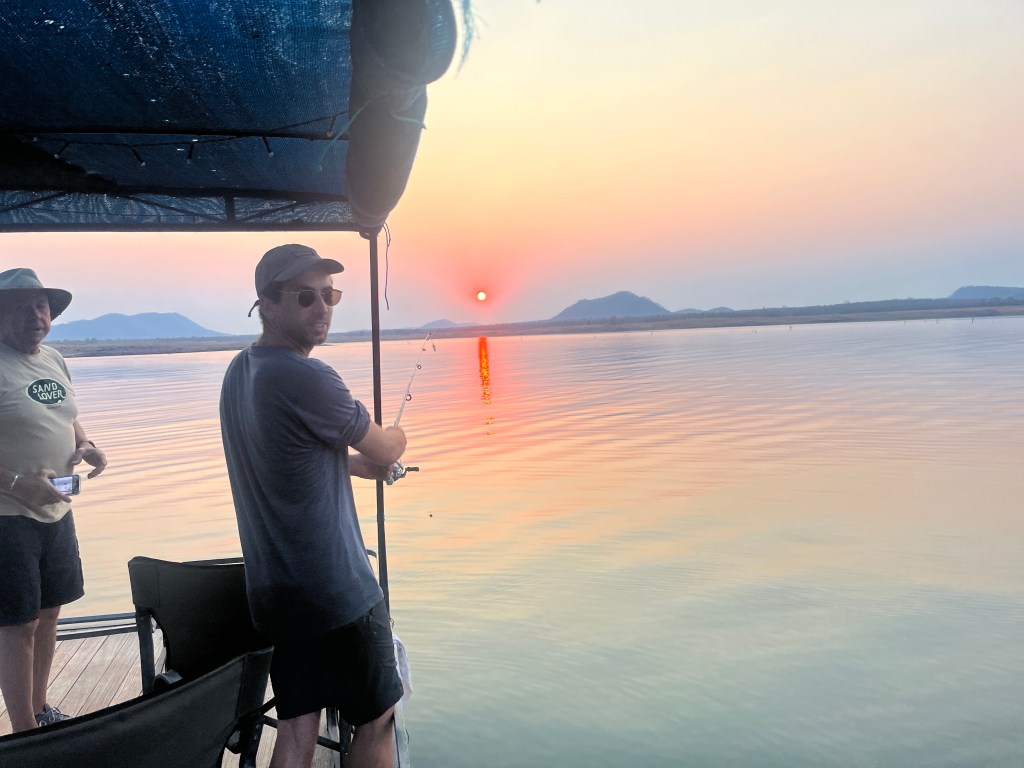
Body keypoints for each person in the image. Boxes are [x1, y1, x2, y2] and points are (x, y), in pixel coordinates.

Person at [220, 244, 407, 768]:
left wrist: (340, 465)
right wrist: (396, 435)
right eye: (306, 296)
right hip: (337, 592)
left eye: (330, 295)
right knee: (378, 720)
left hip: (278, 594)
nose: (322, 307)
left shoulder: (240, 371)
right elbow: (385, 448)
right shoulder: (308, 376)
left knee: (297, 726)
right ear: (267, 302)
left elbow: (278, 458)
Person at [0, 268, 107, 732]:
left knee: (49, 614)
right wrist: (15, 482)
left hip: (59, 506)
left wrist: (86, 444)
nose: (35, 316)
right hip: (8, 515)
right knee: (17, 624)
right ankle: (24, 731)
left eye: (41, 306)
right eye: (21, 307)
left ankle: (41, 709)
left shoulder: (55, 359)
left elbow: (67, 416)